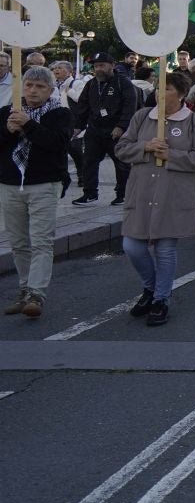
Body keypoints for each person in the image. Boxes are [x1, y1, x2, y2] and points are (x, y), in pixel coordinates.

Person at [114, 71, 195, 327]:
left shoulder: (193, 121)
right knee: (132, 246)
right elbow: (121, 149)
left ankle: (160, 299)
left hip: (173, 194)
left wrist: (172, 156)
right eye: (158, 88)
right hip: (142, 192)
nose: (160, 93)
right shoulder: (142, 117)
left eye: (166, 88)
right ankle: (151, 287)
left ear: (180, 94)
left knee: (164, 249)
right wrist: (145, 147)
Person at [0, 67, 72, 318]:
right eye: (29, 85)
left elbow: (57, 143)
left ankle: (36, 294)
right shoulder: (8, 111)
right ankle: (24, 289)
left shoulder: (60, 114)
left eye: (40, 87)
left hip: (44, 183)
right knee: (18, 242)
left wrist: (28, 124)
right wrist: (7, 130)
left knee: (41, 241)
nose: (33, 91)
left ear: (50, 90)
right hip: (10, 184)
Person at [70, 53, 136, 207]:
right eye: (96, 66)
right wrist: (78, 127)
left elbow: (130, 106)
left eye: (102, 65)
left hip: (116, 131)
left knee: (121, 163)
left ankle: (122, 194)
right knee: (89, 161)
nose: (98, 69)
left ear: (112, 65)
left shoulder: (123, 83)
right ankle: (90, 193)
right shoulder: (91, 84)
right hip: (95, 130)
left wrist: (121, 126)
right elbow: (83, 106)